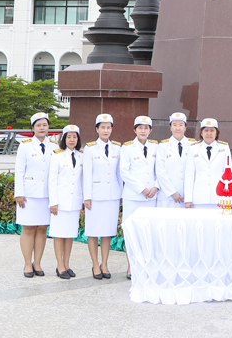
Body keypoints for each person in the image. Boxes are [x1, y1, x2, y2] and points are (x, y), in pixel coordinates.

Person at [13, 112, 57, 278]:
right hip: (29, 195)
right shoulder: (25, 146)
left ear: (48, 127)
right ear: (33, 128)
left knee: (42, 229)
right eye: (38, 125)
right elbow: (19, 170)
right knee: (28, 228)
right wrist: (19, 193)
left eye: (44, 125)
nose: (42, 128)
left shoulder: (54, 146)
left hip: (46, 195)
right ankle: (27, 264)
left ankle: (37, 263)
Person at [82, 113, 122, 280]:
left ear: (112, 129)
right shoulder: (90, 148)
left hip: (112, 196)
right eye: (102, 127)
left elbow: (119, 174)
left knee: (107, 232)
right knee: (93, 232)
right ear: (96, 129)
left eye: (108, 127)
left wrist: (120, 194)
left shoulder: (118, 148)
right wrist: (87, 197)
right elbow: (86, 174)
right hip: (95, 197)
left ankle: (105, 263)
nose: (105, 130)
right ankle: (95, 264)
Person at [119, 115, 158, 280]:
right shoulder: (127, 148)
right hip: (133, 197)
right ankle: (131, 266)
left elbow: (161, 170)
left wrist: (155, 186)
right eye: (140, 128)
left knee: (148, 232)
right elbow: (124, 172)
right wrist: (142, 189)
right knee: (131, 232)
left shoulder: (157, 147)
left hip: (152, 197)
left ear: (150, 130)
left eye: (146, 128)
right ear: (135, 130)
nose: (143, 130)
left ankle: (146, 265)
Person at [48, 124, 83, 279]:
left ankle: (67, 264)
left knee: (69, 235)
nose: (71, 140)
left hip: (74, 202)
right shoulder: (57, 156)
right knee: (59, 234)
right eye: (68, 137)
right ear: (64, 139)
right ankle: (59, 265)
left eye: (74, 137)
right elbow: (52, 180)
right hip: (60, 203)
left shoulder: (82, 156)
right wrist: (53, 202)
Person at [184, 118, 232, 209]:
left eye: (212, 130)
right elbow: (189, 175)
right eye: (206, 130)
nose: (209, 133)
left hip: (219, 197)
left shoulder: (224, 148)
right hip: (198, 198)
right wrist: (188, 199)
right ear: (201, 133)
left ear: (216, 133)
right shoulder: (193, 149)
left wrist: (228, 197)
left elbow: (228, 174)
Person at [156, 111, 195, 208]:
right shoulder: (163, 146)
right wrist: (172, 192)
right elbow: (160, 171)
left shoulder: (193, 145)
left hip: (188, 196)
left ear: (185, 127)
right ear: (170, 127)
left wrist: (188, 195)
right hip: (167, 196)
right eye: (174, 125)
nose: (178, 128)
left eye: (181, 125)